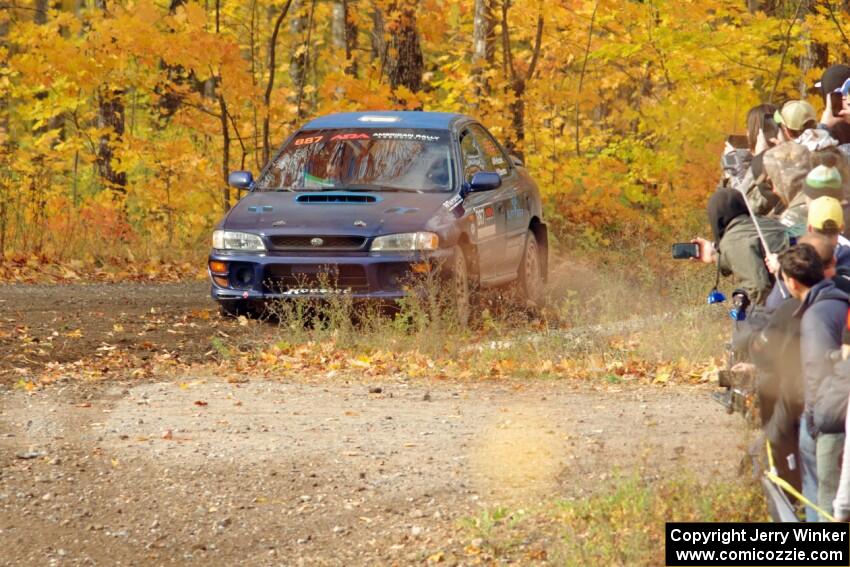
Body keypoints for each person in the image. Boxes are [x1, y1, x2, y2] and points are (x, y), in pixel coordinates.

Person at [780, 243, 850, 520]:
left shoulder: (816, 316)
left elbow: (818, 372)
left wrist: (813, 419)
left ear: (792, 282)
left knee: (824, 505)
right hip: (839, 413)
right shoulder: (839, 300)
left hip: (829, 420)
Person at [694, 190, 789, 305]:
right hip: (804, 280)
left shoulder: (732, 240)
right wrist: (714, 256)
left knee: (744, 319)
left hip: (789, 296)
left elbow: (759, 288)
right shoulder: (765, 222)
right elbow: (746, 253)